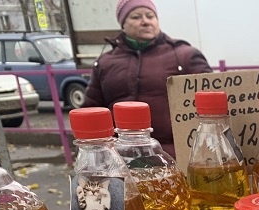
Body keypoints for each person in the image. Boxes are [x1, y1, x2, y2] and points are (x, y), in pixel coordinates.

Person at [81, 0, 212, 158]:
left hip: (174, 156)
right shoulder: (105, 62)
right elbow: (91, 110)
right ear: (123, 24)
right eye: (136, 17)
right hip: (121, 158)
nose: (145, 21)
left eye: (150, 16)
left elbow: (212, 102)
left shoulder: (185, 56)